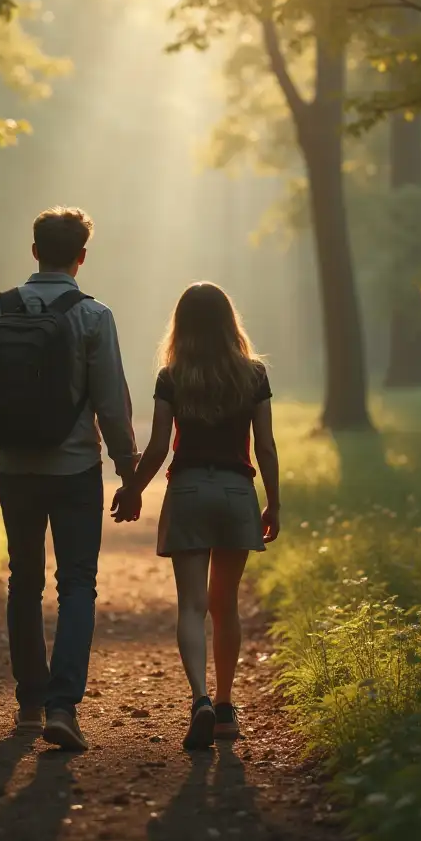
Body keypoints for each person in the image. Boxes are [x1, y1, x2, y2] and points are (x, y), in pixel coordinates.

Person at [0, 206, 138, 752]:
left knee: (24, 582)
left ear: (34, 250)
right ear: (82, 256)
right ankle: (64, 706)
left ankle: (31, 704)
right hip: (77, 468)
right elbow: (111, 402)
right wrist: (129, 473)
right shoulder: (93, 315)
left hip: (16, 469)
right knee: (78, 583)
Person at [111, 282, 281, 749]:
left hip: (187, 490)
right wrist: (275, 503)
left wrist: (131, 490)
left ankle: (201, 699)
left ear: (181, 326)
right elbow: (264, 445)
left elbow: (160, 447)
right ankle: (226, 708)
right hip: (235, 491)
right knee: (224, 605)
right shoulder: (253, 375)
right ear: (230, 323)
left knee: (191, 606)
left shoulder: (172, 376)